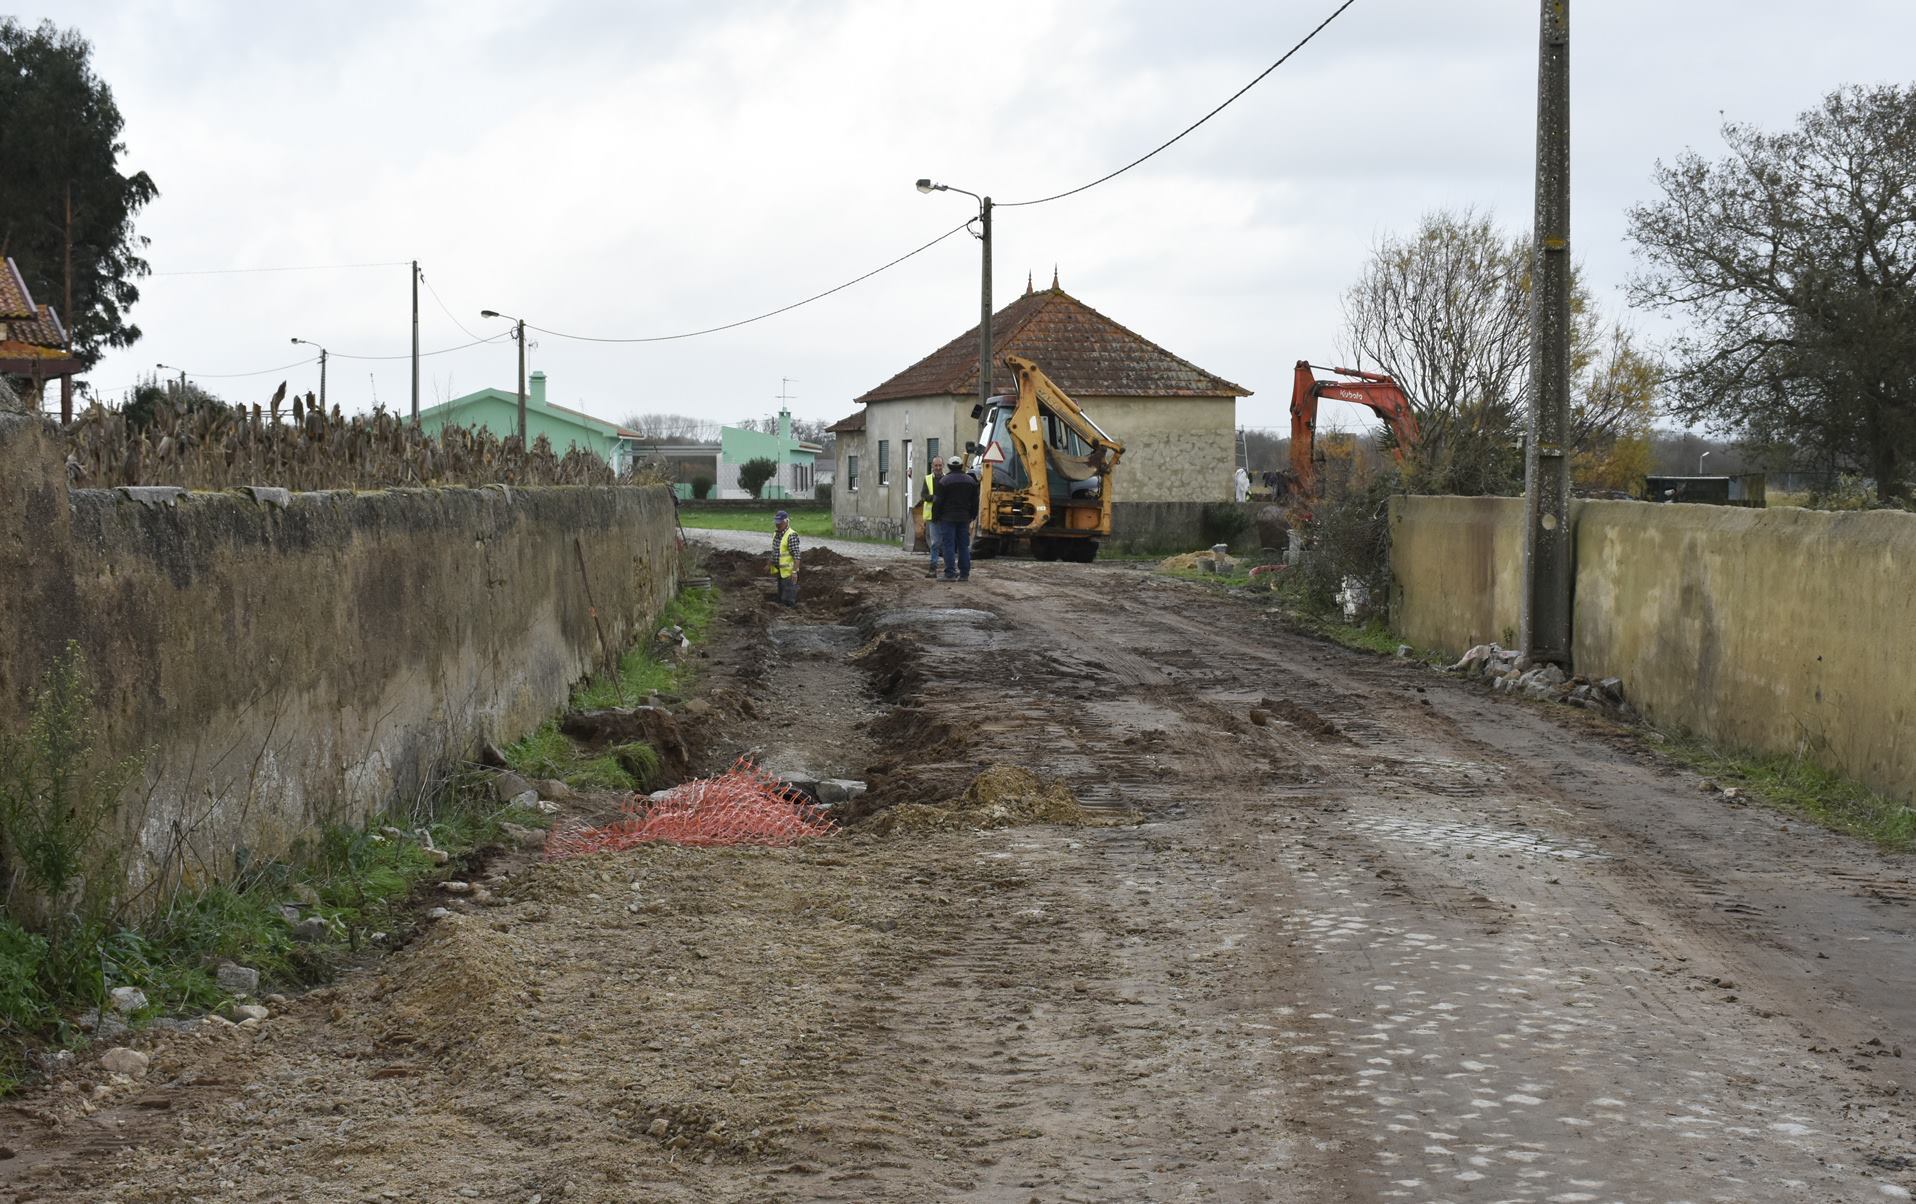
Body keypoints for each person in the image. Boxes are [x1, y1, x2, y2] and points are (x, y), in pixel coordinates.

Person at [930, 455, 979, 582]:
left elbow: (937, 502)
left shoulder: (944, 481)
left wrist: (935, 517)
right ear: (961, 466)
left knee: (949, 546)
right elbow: (975, 501)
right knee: (963, 546)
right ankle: (964, 574)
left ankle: (950, 573)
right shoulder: (971, 481)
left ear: (949, 466)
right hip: (964, 518)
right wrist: (972, 515)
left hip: (947, 518)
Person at [770, 509, 800, 607]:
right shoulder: (776, 534)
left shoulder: (791, 535)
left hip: (788, 573)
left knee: (788, 599)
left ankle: (789, 611)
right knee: (781, 595)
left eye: (780, 523)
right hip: (780, 571)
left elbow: (796, 555)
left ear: (786, 521)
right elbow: (775, 550)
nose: (777, 525)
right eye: (776, 522)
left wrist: (794, 572)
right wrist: (769, 563)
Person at [921, 463, 940, 577]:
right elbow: (923, 495)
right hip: (932, 517)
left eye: (940, 465)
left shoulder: (946, 479)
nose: (938, 468)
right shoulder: (927, 479)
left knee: (948, 543)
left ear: (943, 466)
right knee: (935, 543)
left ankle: (950, 568)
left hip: (945, 516)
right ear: (932, 466)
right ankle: (933, 567)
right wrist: (933, 498)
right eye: (936, 465)